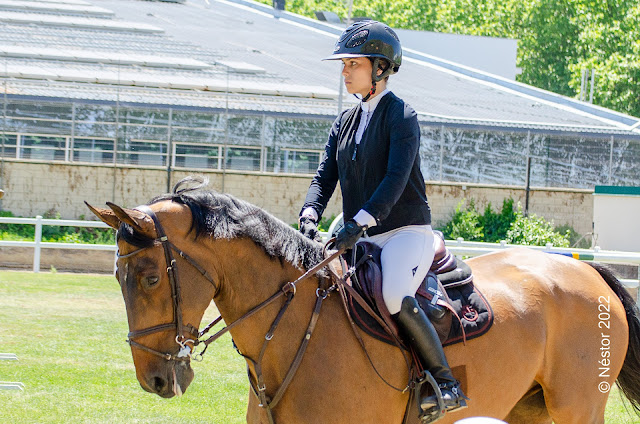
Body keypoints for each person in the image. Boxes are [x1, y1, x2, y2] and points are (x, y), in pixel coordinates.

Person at [298, 20, 467, 418]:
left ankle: (445, 383)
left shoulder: (402, 116)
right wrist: (309, 214)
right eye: (343, 65)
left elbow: (395, 179)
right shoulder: (344, 121)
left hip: (404, 231)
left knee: (393, 294)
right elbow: (325, 175)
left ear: (379, 67)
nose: (344, 72)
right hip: (360, 233)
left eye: (351, 64)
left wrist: (358, 222)